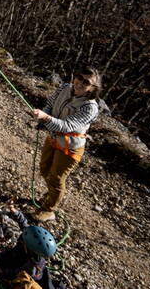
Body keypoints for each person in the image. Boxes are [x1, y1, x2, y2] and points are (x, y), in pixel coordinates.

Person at [30, 66, 104, 222]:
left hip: (71, 147)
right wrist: (45, 115)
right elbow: (50, 104)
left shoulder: (90, 108)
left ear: (93, 88)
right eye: (79, 77)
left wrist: (45, 118)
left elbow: (66, 126)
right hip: (53, 138)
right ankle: (51, 195)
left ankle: (49, 210)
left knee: (56, 179)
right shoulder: (64, 87)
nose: (80, 82)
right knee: (44, 170)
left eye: (86, 82)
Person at [0, 208, 57, 289]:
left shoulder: (31, 268)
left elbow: (15, 274)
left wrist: (1, 270)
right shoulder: (31, 239)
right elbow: (23, 223)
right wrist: (15, 212)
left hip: (17, 271)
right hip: (14, 256)